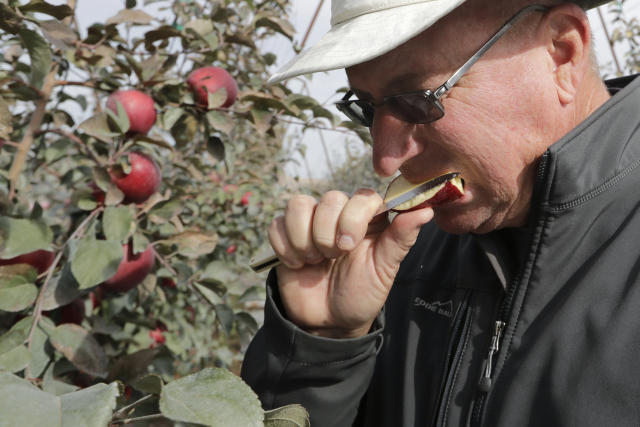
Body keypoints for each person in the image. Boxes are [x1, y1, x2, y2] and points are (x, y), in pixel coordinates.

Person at [241, 0, 640, 425]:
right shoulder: (397, 263)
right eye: (367, 109)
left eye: (417, 101)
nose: (385, 160)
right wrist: (322, 351)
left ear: (562, 51)